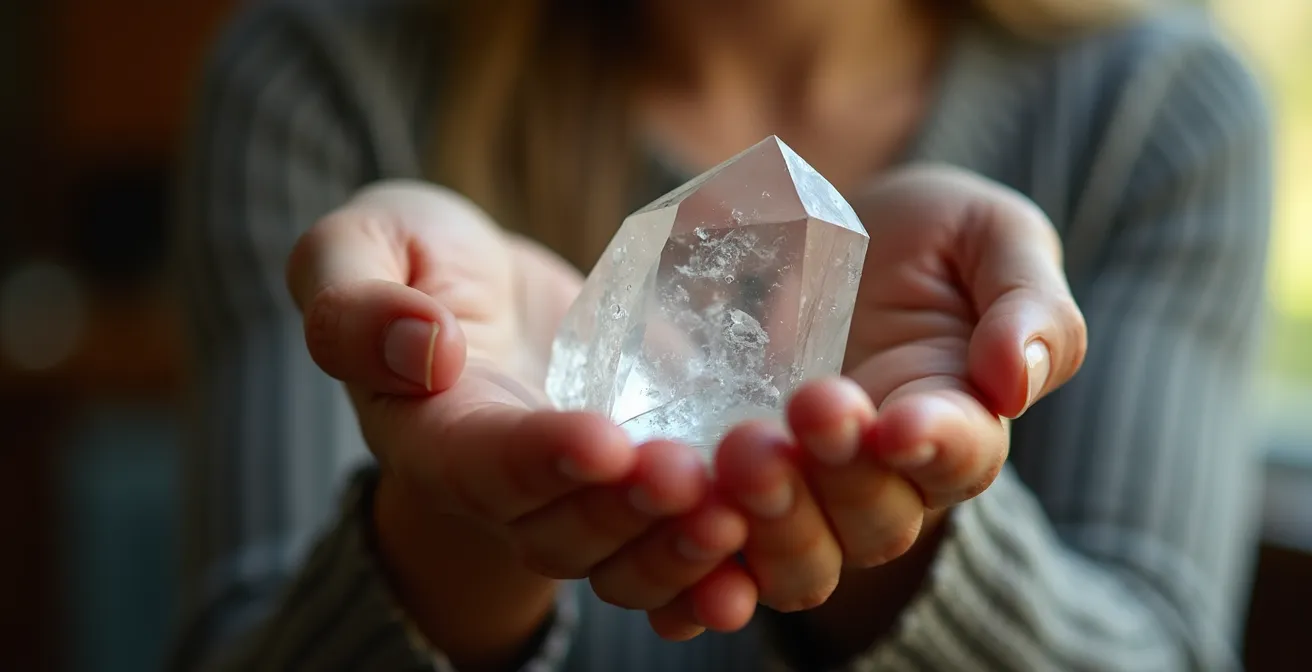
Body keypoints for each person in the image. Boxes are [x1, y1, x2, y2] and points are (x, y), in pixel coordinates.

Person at [170, 0, 1272, 669]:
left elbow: (1159, 653)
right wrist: (461, 523)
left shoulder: (1158, 106)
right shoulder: (318, 74)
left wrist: (898, 544)